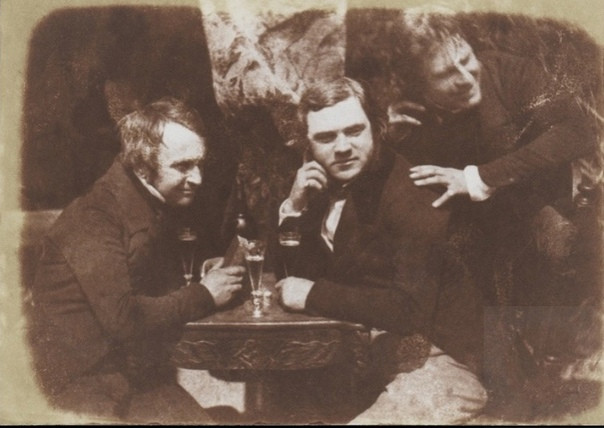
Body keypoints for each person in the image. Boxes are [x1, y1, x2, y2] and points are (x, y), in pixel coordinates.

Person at [386, 10, 598, 417]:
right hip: (470, 231)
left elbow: (577, 132)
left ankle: (546, 366)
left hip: (536, 214)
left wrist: (481, 177)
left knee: (554, 243)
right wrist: (393, 142)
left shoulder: (511, 72)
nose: (465, 76)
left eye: (466, 59)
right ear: (418, 84)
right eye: (445, 74)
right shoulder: (410, 112)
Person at [275, 77, 487, 424]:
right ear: (307, 146)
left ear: (377, 128)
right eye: (326, 138)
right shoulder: (323, 187)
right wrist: (294, 206)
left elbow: (409, 310)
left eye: (354, 131)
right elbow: (290, 276)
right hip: (369, 358)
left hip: (444, 365)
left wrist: (312, 294)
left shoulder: (414, 194)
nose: (342, 147)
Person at [28, 97, 245, 423]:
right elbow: (125, 318)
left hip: (130, 380)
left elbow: (147, 286)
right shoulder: (95, 216)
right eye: (183, 166)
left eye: (199, 164)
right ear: (142, 166)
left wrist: (203, 276)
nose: (198, 178)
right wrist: (204, 294)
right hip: (78, 389)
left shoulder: (143, 200)